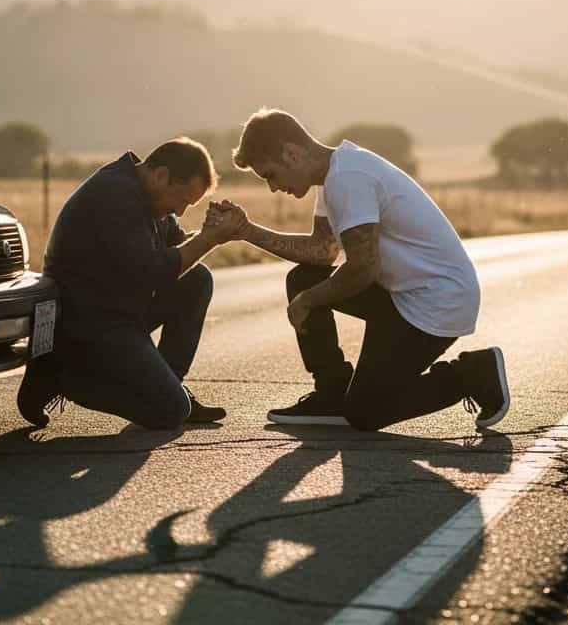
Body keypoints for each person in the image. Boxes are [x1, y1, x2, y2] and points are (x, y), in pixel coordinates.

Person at [208, 108, 507, 431]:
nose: (273, 188)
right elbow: (321, 253)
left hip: (436, 303)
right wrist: (246, 231)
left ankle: (472, 373)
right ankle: (332, 394)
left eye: (270, 175)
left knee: (366, 412)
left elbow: (363, 268)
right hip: (403, 296)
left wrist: (308, 301)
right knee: (303, 278)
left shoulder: (348, 178)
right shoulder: (334, 176)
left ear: (292, 153)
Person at [17, 138, 246, 430]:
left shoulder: (146, 193)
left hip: (119, 310)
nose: (180, 212)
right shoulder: (114, 194)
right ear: (161, 175)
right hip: (85, 323)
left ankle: (170, 382)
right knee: (170, 411)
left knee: (197, 279)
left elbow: (176, 247)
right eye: (183, 200)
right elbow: (152, 272)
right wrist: (208, 240)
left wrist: (212, 231)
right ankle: (63, 377)